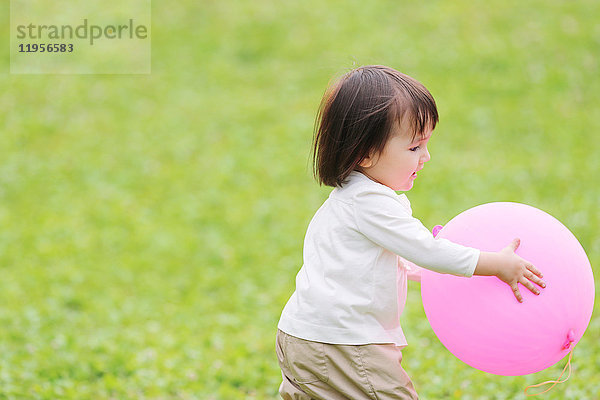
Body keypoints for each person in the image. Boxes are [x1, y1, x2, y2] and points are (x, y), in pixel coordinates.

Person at [275, 65, 546, 400]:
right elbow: (427, 251)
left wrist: (445, 274)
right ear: (365, 153)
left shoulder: (349, 200)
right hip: (345, 342)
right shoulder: (371, 202)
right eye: (415, 147)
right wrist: (496, 264)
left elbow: (398, 261)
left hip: (305, 336)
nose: (426, 157)